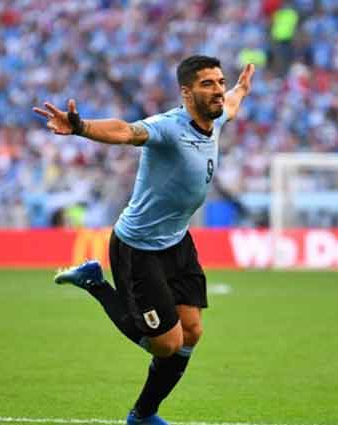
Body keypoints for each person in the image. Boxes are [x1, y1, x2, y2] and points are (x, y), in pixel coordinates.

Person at [34, 56, 254, 425]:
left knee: (192, 331)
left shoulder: (215, 119)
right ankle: (95, 283)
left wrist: (242, 87)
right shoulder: (169, 127)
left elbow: (231, 101)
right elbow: (126, 131)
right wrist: (81, 127)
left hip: (177, 241)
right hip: (138, 247)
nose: (218, 90)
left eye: (220, 81)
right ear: (186, 93)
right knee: (166, 344)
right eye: (207, 84)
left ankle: (142, 415)